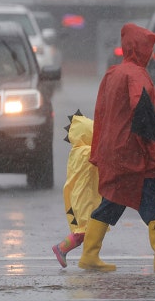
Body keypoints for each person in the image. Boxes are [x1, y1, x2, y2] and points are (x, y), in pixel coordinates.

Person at [78, 22, 155, 272]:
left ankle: (89, 254)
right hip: (133, 150)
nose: (151, 54)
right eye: (148, 48)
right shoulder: (137, 75)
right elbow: (141, 110)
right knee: (153, 194)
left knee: (114, 199)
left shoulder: (113, 73)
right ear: (140, 49)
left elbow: (104, 109)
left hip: (115, 148)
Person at [51, 111, 103, 268]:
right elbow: (100, 158)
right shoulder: (86, 152)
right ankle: (62, 248)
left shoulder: (78, 150)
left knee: (88, 230)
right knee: (85, 231)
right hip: (84, 198)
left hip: (83, 196)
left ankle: (88, 256)